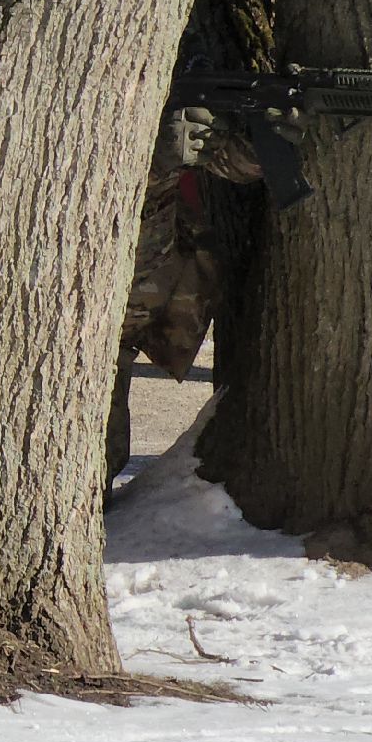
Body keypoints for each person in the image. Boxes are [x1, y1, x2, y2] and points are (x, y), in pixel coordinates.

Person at [107, 105, 281, 498]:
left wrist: (268, 139)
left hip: (148, 294)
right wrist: (159, 158)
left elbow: (228, 162)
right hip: (101, 298)